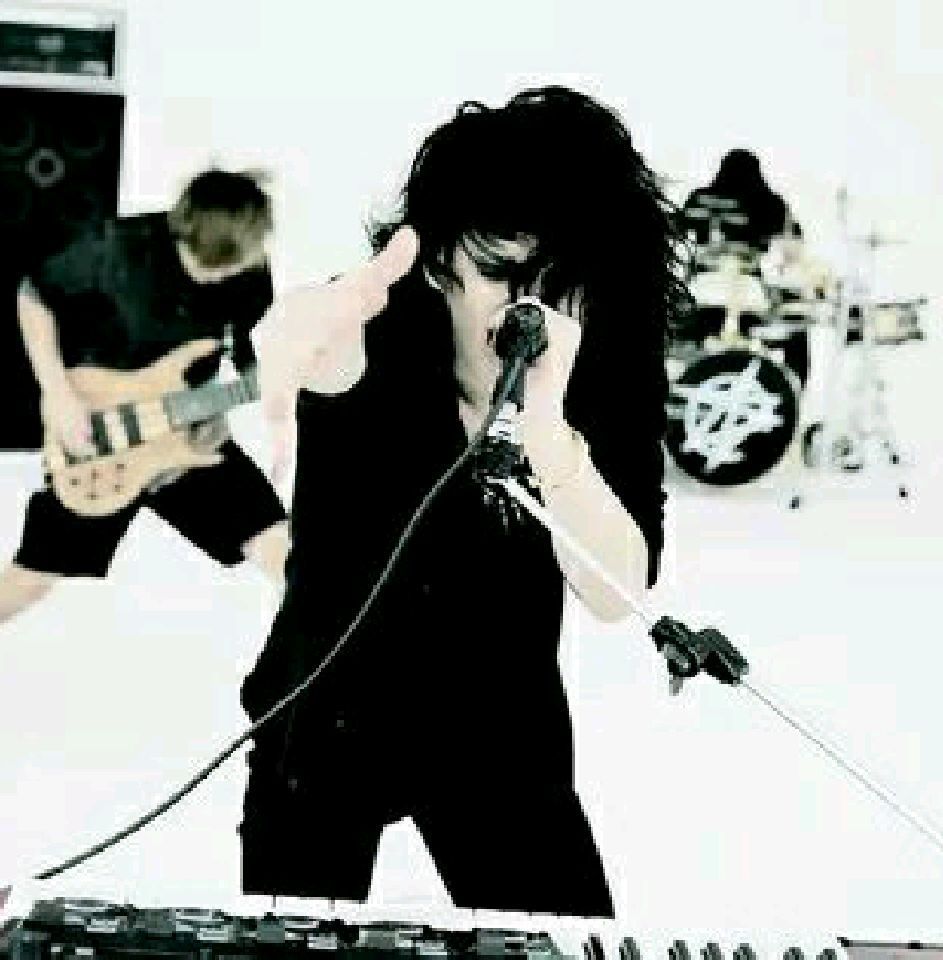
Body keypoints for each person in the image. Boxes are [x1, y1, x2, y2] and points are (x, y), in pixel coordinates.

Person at [240, 87, 685, 917]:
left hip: (498, 722)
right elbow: (313, 340)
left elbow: (618, 590)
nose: (530, 307)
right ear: (439, 259)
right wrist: (291, 339)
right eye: (501, 273)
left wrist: (547, 430)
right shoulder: (371, 320)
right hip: (325, 710)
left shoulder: (606, 364)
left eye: (562, 281)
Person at [0, 168, 290, 625]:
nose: (213, 279)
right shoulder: (119, 246)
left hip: (184, 434)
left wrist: (248, 407)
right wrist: (58, 395)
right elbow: (33, 295)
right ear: (182, 229)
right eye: (201, 266)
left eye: (227, 271)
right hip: (102, 435)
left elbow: (252, 358)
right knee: (28, 582)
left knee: (279, 548)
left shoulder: (250, 270)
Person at [680, 148, 810, 385]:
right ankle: (795, 389)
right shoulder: (770, 203)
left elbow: (678, 235)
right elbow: (792, 249)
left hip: (700, 297)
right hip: (750, 298)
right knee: (797, 334)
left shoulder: (699, 198)